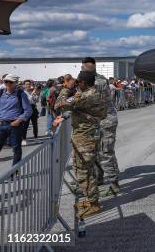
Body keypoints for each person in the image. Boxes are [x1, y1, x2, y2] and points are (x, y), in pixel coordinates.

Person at [55, 70, 106, 218]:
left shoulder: (85, 95)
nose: (76, 84)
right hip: (85, 136)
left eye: (78, 82)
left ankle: (94, 204)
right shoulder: (93, 93)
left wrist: (66, 88)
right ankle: (90, 199)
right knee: (82, 169)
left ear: (83, 82)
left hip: (85, 137)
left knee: (84, 171)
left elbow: (59, 104)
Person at [82, 57, 120, 193]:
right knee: (95, 151)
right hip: (96, 121)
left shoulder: (99, 81)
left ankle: (114, 182)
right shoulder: (88, 80)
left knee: (106, 152)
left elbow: (87, 99)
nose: (82, 70)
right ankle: (98, 177)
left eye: (84, 68)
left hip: (106, 121)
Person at [0, 74, 32, 165]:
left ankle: (14, 173)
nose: (8, 84)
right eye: (6, 81)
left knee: (16, 149)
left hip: (14, 125)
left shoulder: (20, 94)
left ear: (16, 83)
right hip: (2, 124)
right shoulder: (1, 93)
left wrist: (19, 120)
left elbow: (28, 110)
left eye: (10, 82)